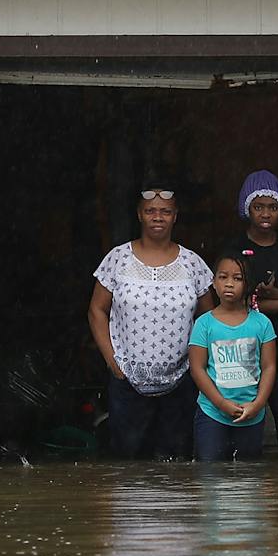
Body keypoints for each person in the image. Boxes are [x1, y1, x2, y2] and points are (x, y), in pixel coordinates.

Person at [88, 187, 213, 459]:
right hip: (127, 381)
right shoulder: (117, 259)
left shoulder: (193, 264)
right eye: (151, 211)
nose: (158, 217)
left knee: (175, 465)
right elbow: (97, 310)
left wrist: (196, 364)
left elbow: (209, 319)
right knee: (128, 465)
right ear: (139, 215)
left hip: (181, 382)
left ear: (175, 216)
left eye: (165, 211)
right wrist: (112, 361)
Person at [224, 170, 278, 456]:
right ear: (246, 209)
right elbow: (236, 304)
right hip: (243, 354)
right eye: (258, 206)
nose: (265, 213)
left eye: (272, 207)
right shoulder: (234, 250)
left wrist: (271, 296)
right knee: (243, 435)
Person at [188, 254, 277, 461]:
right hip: (213, 413)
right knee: (210, 475)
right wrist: (221, 403)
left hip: (252, 414)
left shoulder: (262, 324)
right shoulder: (204, 324)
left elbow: (269, 367)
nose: (229, 284)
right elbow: (197, 369)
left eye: (238, 278)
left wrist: (258, 404)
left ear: (248, 284)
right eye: (223, 277)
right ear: (213, 282)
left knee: (249, 480)